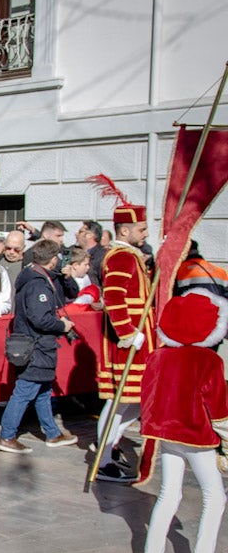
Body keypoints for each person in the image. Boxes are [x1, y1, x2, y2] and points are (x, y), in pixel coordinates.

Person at [135, 289, 228, 553]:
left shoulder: (158, 355)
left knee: (169, 492)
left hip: (166, 433)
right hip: (196, 434)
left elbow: (148, 397)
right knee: (215, 496)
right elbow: (219, 409)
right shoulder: (208, 360)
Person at [0, 240, 79, 453]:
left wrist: (66, 278)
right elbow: (40, 318)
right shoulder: (37, 283)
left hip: (37, 345)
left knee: (43, 390)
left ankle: (52, 432)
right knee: (24, 390)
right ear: (52, 260)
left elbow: (68, 294)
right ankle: (7, 435)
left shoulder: (36, 277)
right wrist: (62, 325)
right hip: (36, 345)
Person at [93, 190, 155, 482]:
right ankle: (103, 458)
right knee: (118, 401)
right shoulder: (119, 255)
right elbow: (115, 297)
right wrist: (129, 333)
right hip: (128, 341)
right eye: (141, 229)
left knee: (137, 400)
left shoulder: (130, 254)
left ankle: (110, 447)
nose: (145, 233)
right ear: (125, 230)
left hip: (140, 339)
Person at [78, 220, 107, 288]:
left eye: (80, 232)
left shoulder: (103, 255)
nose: (77, 234)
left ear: (90, 235)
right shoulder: (72, 251)